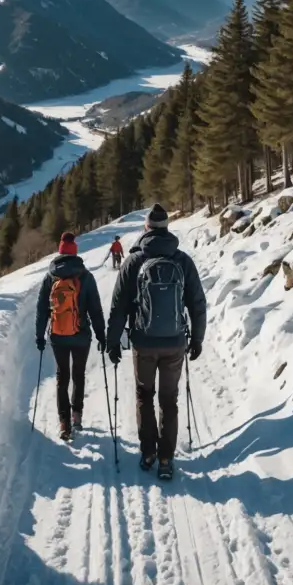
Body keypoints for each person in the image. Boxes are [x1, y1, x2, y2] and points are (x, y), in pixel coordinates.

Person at [106, 204, 206, 480]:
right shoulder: (182, 260)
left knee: (144, 395)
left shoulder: (134, 261)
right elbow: (197, 303)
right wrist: (197, 338)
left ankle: (148, 451)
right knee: (169, 400)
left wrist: (112, 341)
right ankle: (166, 458)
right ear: (167, 228)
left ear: (146, 228)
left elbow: (118, 306)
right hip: (174, 343)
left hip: (144, 342)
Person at [36, 232, 106, 440]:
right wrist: (102, 336)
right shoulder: (85, 276)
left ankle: (63, 423)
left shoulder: (50, 277)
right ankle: (77, 415)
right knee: (78, 375)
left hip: (58, 336)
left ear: (59, 251)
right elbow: (95, 309)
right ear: (75, 252)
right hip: (81, 335)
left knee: (62, 377)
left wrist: (40, 336)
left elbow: (42, 310)